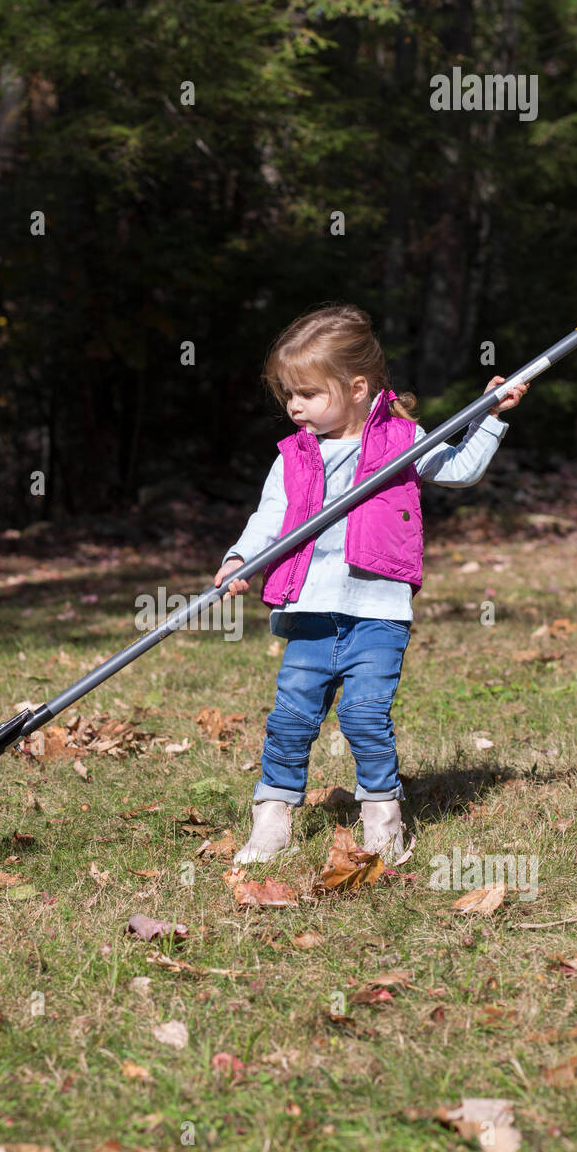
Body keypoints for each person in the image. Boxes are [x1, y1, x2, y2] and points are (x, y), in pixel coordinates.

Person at [214, 304, 529, 865]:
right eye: (288, 394)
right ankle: (272, 817)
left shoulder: (402, 440)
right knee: (292, 715)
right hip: (309, 608)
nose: (293, 406)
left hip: (377, 609)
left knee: (364, 715)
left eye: (307, 393)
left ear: (357, 388)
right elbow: (270, 516)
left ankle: (382, 818)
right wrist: (241, 556)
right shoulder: (293, 455)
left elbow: (457, 468)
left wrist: (492, 415)